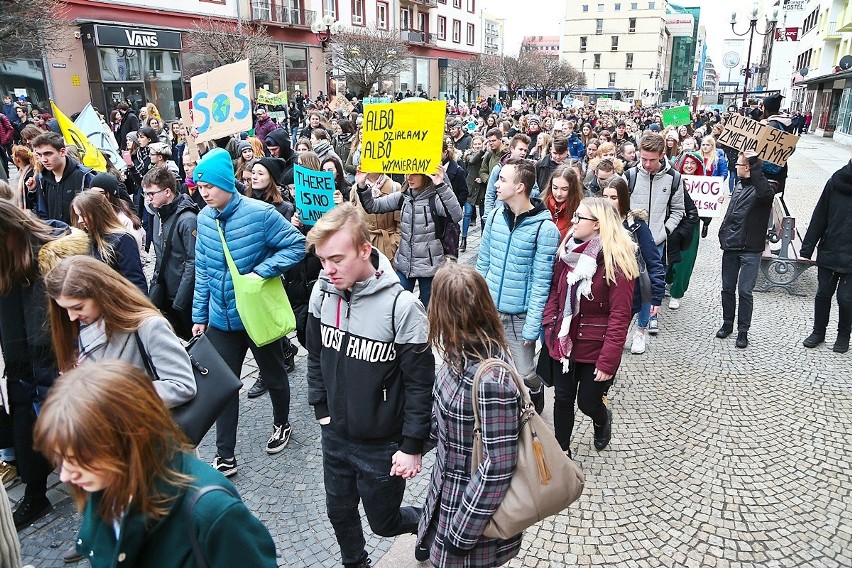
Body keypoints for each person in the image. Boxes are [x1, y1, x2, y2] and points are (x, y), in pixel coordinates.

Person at [32, 360, 277, 567]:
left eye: (81, 460)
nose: (65, 476)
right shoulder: (99, 486)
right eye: (61, 459)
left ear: (132, 439)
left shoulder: (213, 512)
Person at [305, 203, 433, 568]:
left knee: (384, 523)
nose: (328, 270)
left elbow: (421, 384)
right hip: (335, 435)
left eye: (337, 259)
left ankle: (429, 520)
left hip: (381, 445)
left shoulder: (403, 306)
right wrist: (321, 409)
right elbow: (314, 355)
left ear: (364, 249)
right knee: (339, 512)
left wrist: (411, 446)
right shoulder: (322, 290)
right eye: (322, 260)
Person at [192, 148, 306, 475]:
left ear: (226, 183)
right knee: (224, 387)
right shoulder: (204, 217)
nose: (205, 193)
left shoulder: (261, 213)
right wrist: (200, 316)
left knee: (273, 375)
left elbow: (296, 245)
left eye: (210, 186)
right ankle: (225, 455)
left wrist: (263, 271)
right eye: (200, 188)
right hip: (221, 319)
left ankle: (282, 423)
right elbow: (203, 270)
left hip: (254, 315)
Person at [414, 263, 522, 566]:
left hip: (471, 516)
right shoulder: (457, 353)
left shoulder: (490, 382)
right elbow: (444, 420)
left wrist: (461, 536)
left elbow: (498, 466)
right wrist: (410, 447)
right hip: (447, 495)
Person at [0, 202, 90, 530]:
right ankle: (36, 494)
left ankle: (98, 512)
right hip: (20, 363)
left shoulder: (53, 251)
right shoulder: (7, 258)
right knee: (30, 437)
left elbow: (86, 304)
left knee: (76, 442)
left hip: (58, 361)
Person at [541, 197, 637, 455]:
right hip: (564, 340)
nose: (572, 221)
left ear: (597, 224)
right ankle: (562, 453)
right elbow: (554, 290)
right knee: (562, 399)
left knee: (587, 402)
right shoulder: (567, 251)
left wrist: (608, 362)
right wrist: (551, 321)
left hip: (595, 347)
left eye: (579, 217)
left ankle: (602, 419)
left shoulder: (616, 262)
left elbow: (619, 317)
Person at [44, 255, 196, 407]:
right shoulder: (79, 325)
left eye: (78, 307)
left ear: (100, 294)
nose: (71, 317)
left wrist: (111, 394)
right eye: (65, 310)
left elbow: (182, 386)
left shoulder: (149, 326)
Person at [476, 158, 561, 414]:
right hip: (490, 309)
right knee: (488, 364)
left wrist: (532, 325)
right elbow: (483, 262)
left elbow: (541, 281)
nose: (496, 184)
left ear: (521, 187)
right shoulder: (493, 216)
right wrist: (476, 302)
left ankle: (535, 390)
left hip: (519, 316)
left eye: (502, 180)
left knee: (525, 371)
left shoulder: (545, 229)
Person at [357, 165, 462, 308]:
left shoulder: (435, 198)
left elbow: (456, 215)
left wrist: (441, 185)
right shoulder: (403, 197)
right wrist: (362, 186)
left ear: (425, 175)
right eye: (407, 173)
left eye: (414, 173)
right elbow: (373, 206)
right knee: (397, 306)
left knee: (429, 311)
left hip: (430, 269)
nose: (409, 177)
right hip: (405, 265)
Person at [624, 132, 686, 336]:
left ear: (661, 155)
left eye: (651, 160)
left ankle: (643, 328)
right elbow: (620, 207)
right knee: (627, 287)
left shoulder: (674, 178)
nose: (647, 164)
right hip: (631, 241)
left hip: (658, 241)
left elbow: (678, 210)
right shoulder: (630, 175)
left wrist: (664, 231)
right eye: (643, 159)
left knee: (650, 286)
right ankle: (622, 327)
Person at [601, 177, 665, 355]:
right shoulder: (595, 223)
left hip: (627, 292)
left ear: (623, 199)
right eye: (605, 197)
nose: (608, 202)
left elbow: (653, 261)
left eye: (613, 198)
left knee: (614, 339)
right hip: (601, 290)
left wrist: (657, 296)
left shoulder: (637, 227)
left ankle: (639, 333)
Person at [716, 151, 774, 349]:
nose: (736, 168)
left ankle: (743, 331)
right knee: (727, 288)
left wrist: (756, 164)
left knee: (745, 291)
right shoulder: (739, 185)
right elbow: (732, 214)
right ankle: (728, 323)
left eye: (740, 164)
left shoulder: (763, 189)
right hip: (731, 246)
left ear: (748, 167)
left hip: (750, 248)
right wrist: (722, 233)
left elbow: (765, 194)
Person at [800, 155, 852, 353]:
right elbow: (820, 214)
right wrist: (807, 248)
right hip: (831, 248)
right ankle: (818, 332)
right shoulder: (835, 181)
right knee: (823, 294)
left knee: (846, 298)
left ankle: (843, 335)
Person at [142, 166, 198, 340]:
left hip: (184, 298)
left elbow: (193, 262)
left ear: (167, 192)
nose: (148, 199)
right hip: (167, 291)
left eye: (152, 194)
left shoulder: (187, 219)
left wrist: (180, 301)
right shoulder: (158, 215)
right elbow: (159, 256)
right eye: (146, 194)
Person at [71, 190, 147, 294]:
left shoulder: (123, 240)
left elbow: (136, 281)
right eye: (78, 215)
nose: (80, 220)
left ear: (97, 213)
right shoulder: (85, 240)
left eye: (82, 215)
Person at [26, 131, 95, 224]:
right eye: (39, 155)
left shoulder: (84, 176)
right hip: (55, 236)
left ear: (62, 152)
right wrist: (33, 192)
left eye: (48, 154)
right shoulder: (41, 179)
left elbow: (96, 212)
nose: (43, 159)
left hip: (81, 235)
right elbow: (41, 213)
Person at [351, 169, 402, 261]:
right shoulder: (356, 188)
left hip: (387, 248)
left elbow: (401, 224)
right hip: (364, 245)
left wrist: (394, 245)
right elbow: (352, 218)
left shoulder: (394, 187)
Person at [541, 163, 584, 239]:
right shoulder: (541, 206)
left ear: (572, 189)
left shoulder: (580, 210)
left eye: (564, 189)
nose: (558, 193)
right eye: (555, 188)